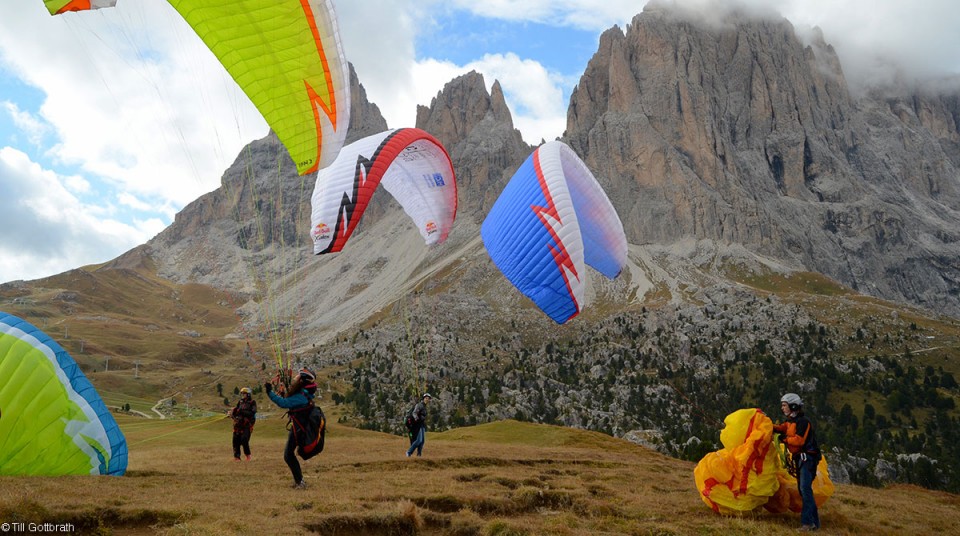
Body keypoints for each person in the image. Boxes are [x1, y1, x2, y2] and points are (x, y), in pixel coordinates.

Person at [773, 393, 821, 531]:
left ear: (793, 406)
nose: (782, 408)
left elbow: (799, 440)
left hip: (807, 458)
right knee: (804, 490)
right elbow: (782, 427)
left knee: (805, 489)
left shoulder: (803, 422)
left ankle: (807, 523)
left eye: (784, 405)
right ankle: (814, 524)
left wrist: (785, 440)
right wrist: (766, 424)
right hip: (801, 459)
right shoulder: (791, 422)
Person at [265, 368, 318, 489]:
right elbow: (289, 399)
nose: (295, 377)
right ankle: (299, 481)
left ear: (302, 380)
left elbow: (283, 403)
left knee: (288, 455)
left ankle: (300, 482)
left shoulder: (301, 396)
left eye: (298, 376)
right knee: (288, 455)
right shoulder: (303, 393)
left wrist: (269, 392)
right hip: (298, 427)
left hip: (299, 429)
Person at [230, 387, 257, 461]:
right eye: (242, 393)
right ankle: (237, 457)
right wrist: (233, 412)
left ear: (248, 394)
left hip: (247, 425)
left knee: (244, 440)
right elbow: (237, 411)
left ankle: (248, 455)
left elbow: (252, 412)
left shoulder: (252, 402)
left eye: (244, 393)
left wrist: (241, 411)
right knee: (235, 440)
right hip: (238, 424)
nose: (243, 395)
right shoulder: (240, 402)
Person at [405, 393, 432, 458]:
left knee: (422, 441)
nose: (427, 400)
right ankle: (409, 452)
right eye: (426, 398)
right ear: (423, 398)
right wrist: (417, 419)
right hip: (418, 425)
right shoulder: (419, 405)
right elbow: (414, 413)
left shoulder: (424, 406)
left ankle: (419, 455)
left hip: (422, 425)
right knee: (419, 440)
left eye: (428, 399)